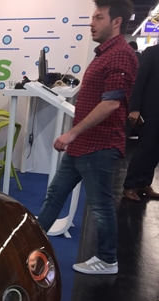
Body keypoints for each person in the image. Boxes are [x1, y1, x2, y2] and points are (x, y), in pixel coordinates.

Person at [36, 0, 138, 275]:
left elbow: (111, 103)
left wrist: (71, 133)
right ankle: (33, 241)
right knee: (55, 195)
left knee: (101, 205)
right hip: (83, 145)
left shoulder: (120, 54)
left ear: (116, 22)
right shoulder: (104, 53)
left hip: (99, 146)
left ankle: (107, 259)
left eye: (99, 18)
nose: (92, 23)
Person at [122, 44, 159, 202]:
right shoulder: (152, 53)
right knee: (145, 148)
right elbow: (139, 81)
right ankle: (130, 185)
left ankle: (144, 183)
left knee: (156, 150)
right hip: (150, 111)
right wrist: (134, 108)